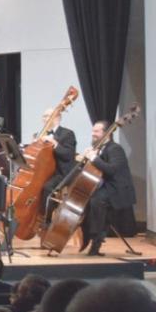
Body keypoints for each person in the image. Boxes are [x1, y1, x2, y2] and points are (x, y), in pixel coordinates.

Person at [74, 120, 136, 256]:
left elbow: (112, 170)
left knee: (97, 200)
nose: (93, 134)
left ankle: (96, 242)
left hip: (118, 189)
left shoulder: (115, 149)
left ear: (106, 133)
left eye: (96, 131)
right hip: (107, 186)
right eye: (93, 131)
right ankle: (88, 235)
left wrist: (95, 158)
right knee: (88, 202)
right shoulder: (99, 149)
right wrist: (84, 158)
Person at [36, 106, 78, 218]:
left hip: (61, 172)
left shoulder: (67, 133)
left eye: (47, 116)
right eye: (43, 116)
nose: (44, 119)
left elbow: (68, 155)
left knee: (47, 187)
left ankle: (46, 219)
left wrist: (55, 143)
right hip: (46, 171)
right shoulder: (41, 134)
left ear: (57, 117)